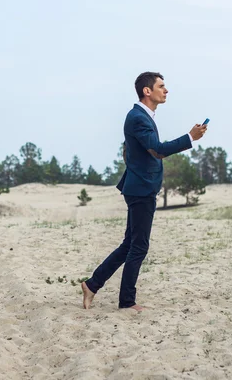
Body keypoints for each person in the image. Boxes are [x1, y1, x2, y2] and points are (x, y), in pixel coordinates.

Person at [81, 71, 207, 312]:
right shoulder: (138, 117)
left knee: (129, 244)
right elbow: (158, 149)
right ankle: (126, 302)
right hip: (140, 189)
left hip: (139, 186)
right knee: (139, 246)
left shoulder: (143, 116)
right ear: (147, 91)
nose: (166, 90)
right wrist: (190, 138)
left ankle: (92, 284)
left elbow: (135, 152)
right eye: (161, 86)